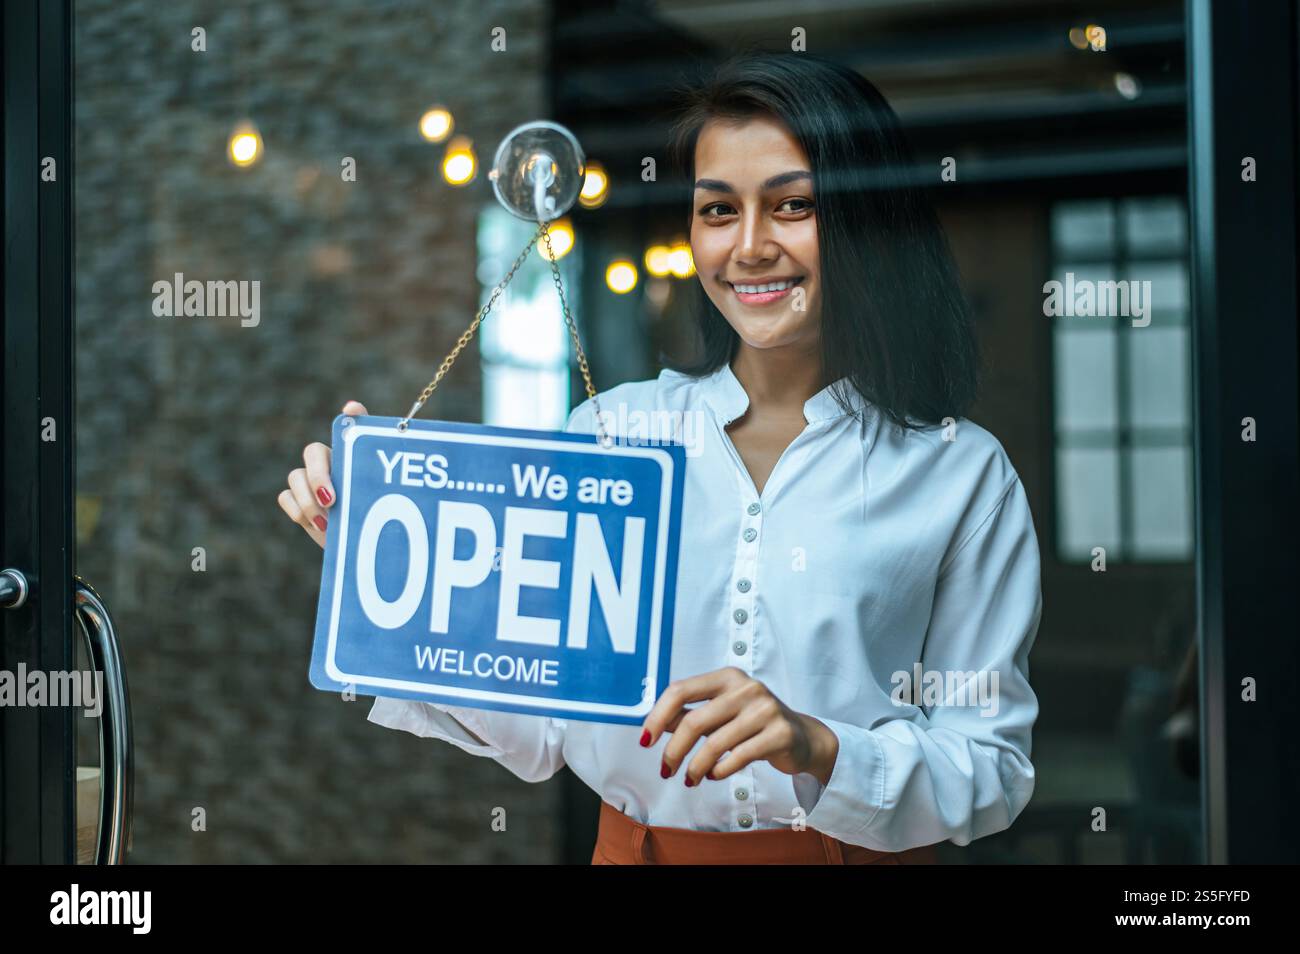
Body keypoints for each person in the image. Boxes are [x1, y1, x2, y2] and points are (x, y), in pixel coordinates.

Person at [278, 51, 1042, 865]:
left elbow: (992, 767)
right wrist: (378, 566)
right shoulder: (610, 434)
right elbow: (538, 733)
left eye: (792, 205)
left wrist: (819, 745)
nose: (748, 247)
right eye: (717, 211)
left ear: (867, 219)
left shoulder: (961, 474)